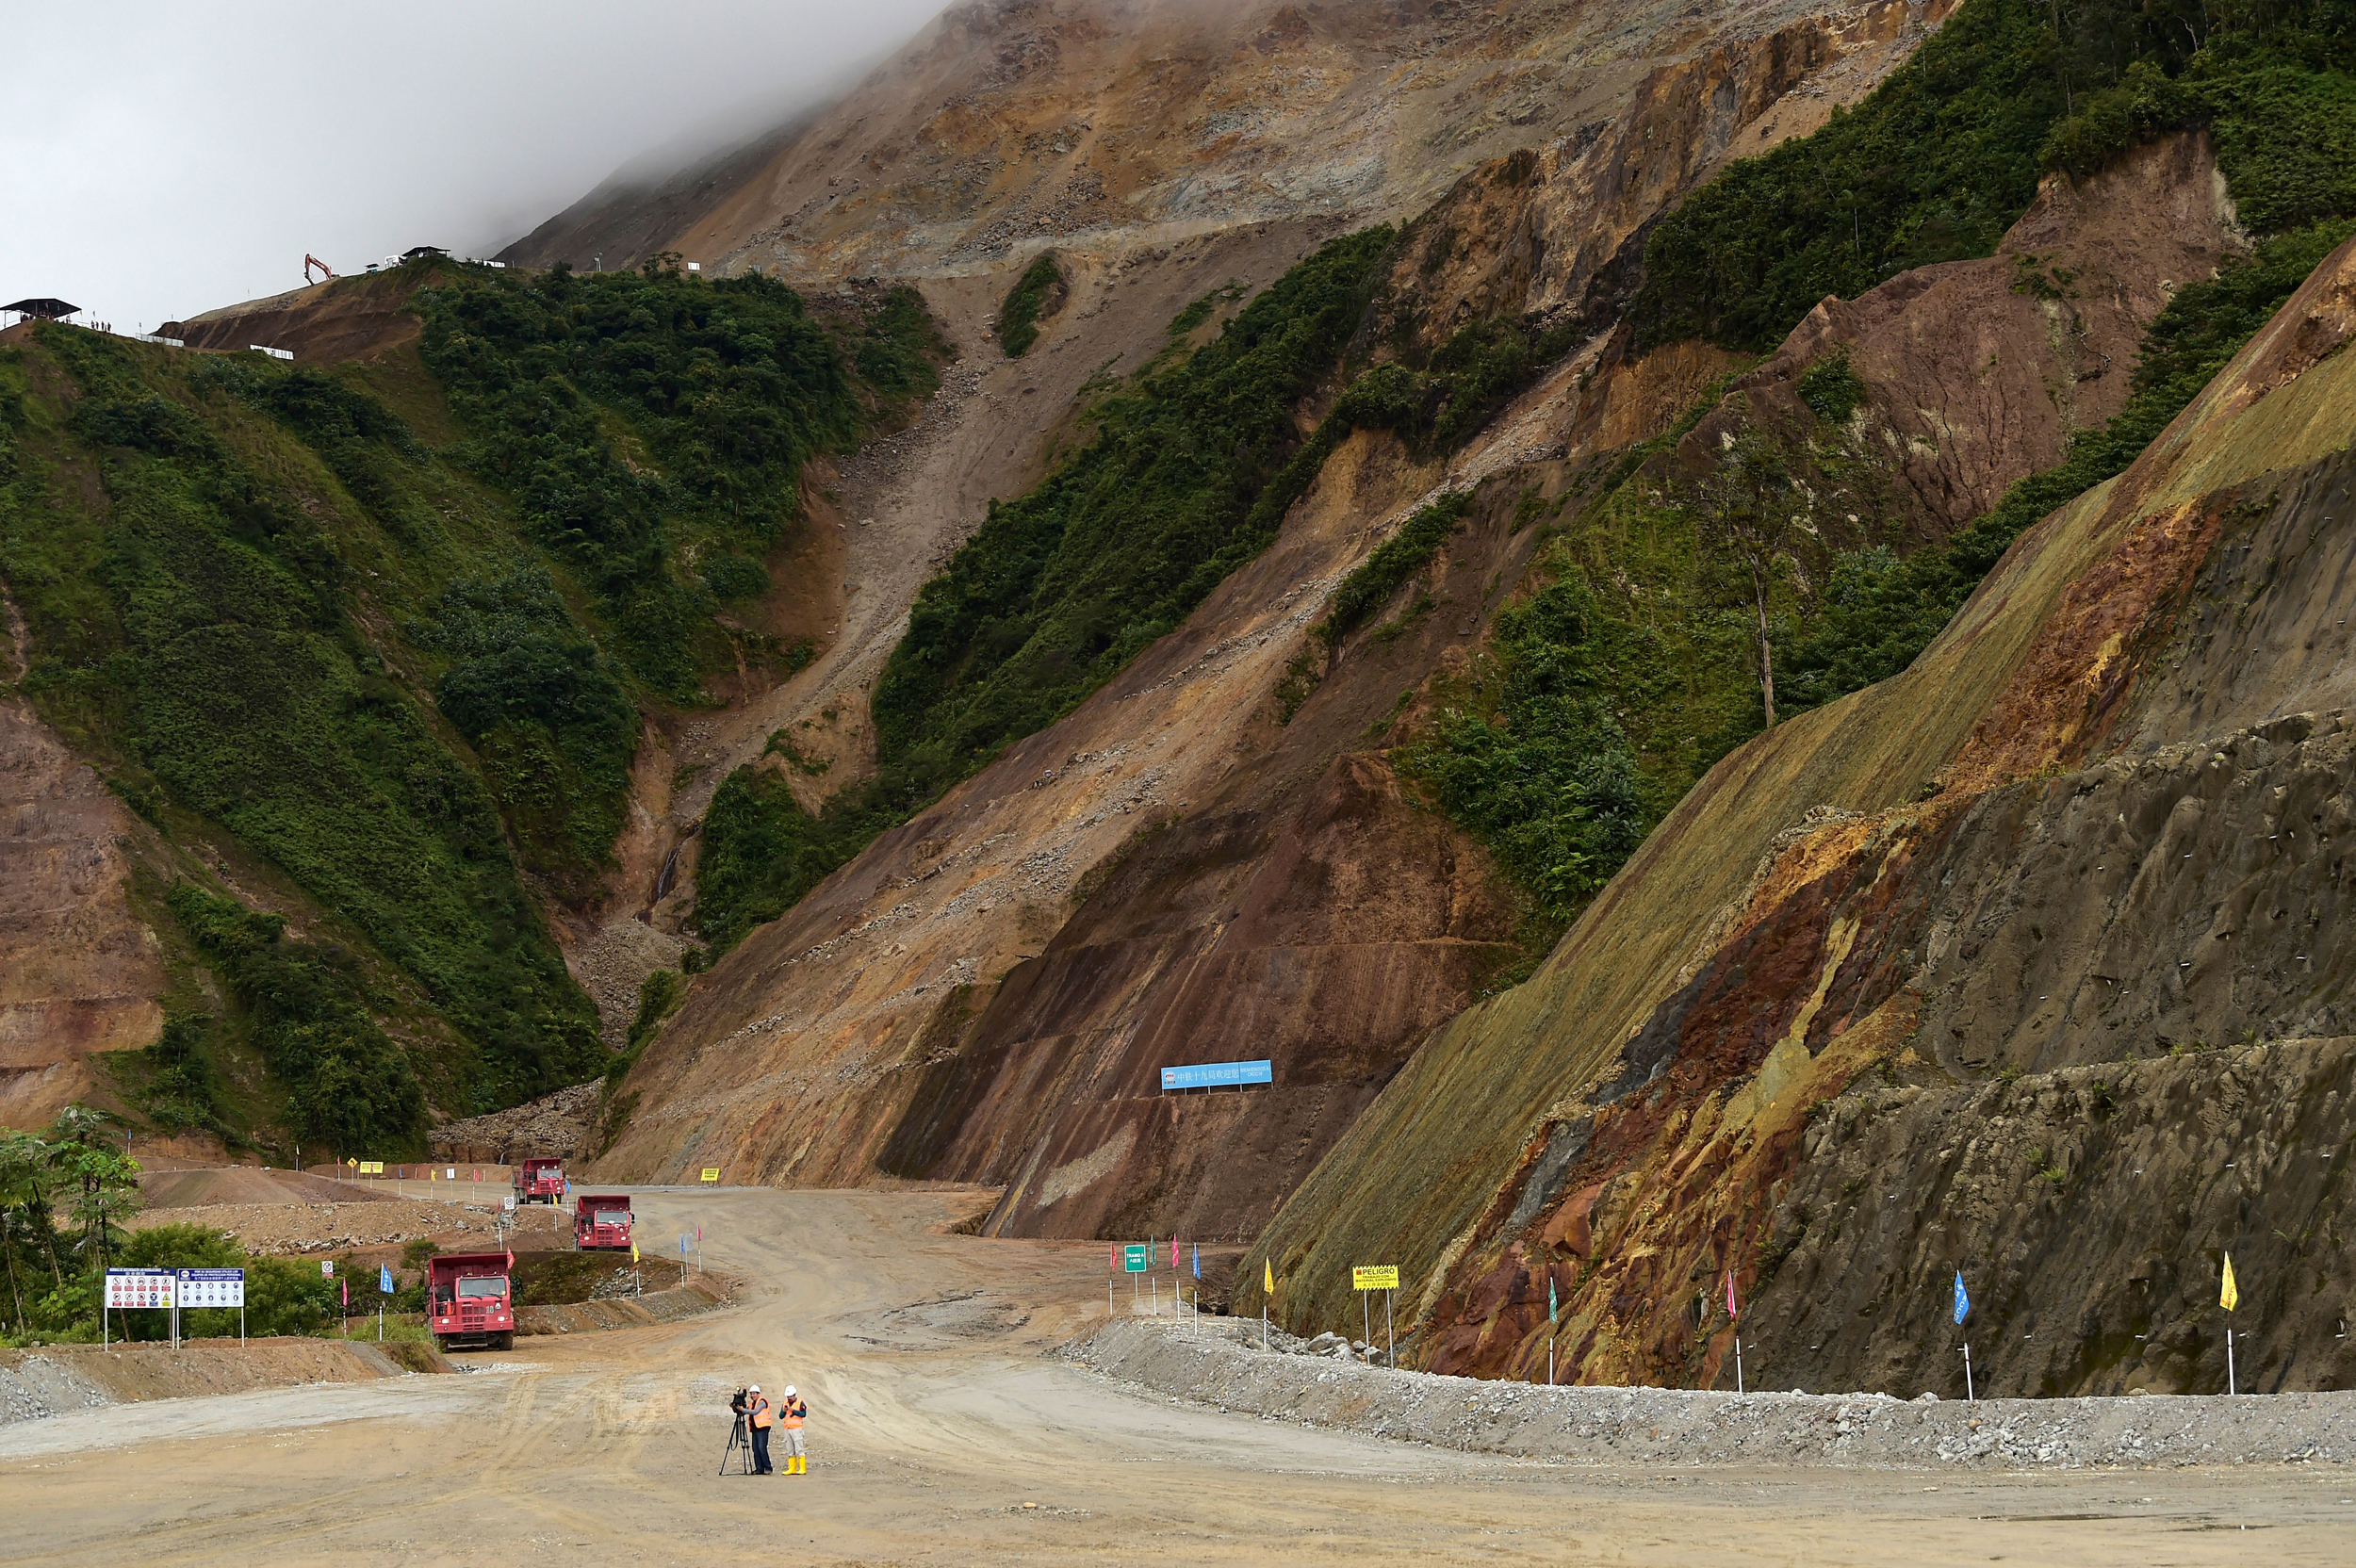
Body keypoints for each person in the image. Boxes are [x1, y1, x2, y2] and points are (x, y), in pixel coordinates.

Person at [778, 1384, 809, 1475]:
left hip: (797, 1429)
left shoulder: (800, 1403)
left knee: (799, 1449)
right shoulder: (785, 1403)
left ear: (794, 1395)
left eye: (790, 1396)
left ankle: (802, 1468)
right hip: (787, 1428)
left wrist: (793, 1411)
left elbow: (803, 1414)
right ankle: (792, 1468)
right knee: (790, 1449)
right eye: (788, 1397)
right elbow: (780, 1416)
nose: (789, 1398)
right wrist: (784, 1411)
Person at [746, 1383, 775, 1475]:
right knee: (755, 1449)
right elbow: (747, 1410)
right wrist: (736, 1408)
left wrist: (742, 1410)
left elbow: (755, 1412)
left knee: (761, 1448)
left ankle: (768, 1467)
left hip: (763, 1428)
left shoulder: (762, 1402)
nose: (752, 1395)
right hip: (755, 1428)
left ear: (758, 1394)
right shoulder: (752, 1404)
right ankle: (759, 1468)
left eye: (754, 1393)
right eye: (751, 1394)